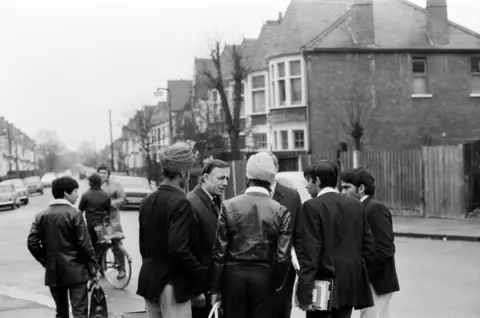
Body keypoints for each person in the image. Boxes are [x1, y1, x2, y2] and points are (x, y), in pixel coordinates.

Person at [211, 152, 292, 318]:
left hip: (233, 277)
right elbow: (283, 256)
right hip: (264, 276)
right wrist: (275, 283)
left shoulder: (228, 206)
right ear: (271, 180)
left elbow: (219, 252)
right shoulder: (280, 210)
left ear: (247, 177)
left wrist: (215, 287)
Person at [296, 161, 376, 318]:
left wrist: (304, 293)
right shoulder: (356, 205)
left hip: (322, 285)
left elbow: (311, 253)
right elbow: (368, 246)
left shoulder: (312, 206)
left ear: (317, 181)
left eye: (308, 180)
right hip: (349, 285)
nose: (306, 185)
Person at [137, 142, 207, 318]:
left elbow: (143, 247)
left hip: (149, 281)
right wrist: (200, 272)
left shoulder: (147, 201)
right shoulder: (180, 203)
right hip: (172, 285)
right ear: (183, 172)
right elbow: (178, 248)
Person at [27, 176, 98, 318]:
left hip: (54, 271)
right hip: (77, 270)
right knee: (80, 312)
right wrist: (93, 265)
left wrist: (46, 260)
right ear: (66, 193)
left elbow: (32, 243)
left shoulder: (40, 216)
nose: (77, 195)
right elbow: (84, 244)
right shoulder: (75, 214)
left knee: (61, 312)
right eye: (75, 192)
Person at [340, 168, 400, 318]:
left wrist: (365, 273)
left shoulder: (375, 209)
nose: (343, 192)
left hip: (377, 283)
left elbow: (385, 248)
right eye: (341, 188)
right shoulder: (357, 208)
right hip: (368, 282)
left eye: (347, 187)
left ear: (361, 188)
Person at [187, 159, 230, 318]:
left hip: (214, 285)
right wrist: (196, 289)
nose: (225, 183)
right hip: (201, 287)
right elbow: (188, 250)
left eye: (227, 179)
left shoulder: (218, 201)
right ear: (204, 178)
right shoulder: (191, 203)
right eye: (220, 178)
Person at [269, 153, 303, 318]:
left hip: (284, 268)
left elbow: (299, 232)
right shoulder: (243, 195)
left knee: (282, 310)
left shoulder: (291, 196)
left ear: (276, 169)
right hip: (255, 268)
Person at [97, 163, 127, 279]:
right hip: (99, 220)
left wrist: (111, 204)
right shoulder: (95, 185)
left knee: (116, 244)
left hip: (113, 220)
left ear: (108, 174)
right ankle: (101, 268)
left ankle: (121, 269)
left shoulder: (116, 185)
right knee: (99, 244)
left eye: (104, 173)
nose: (102, 175)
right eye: (100, 173)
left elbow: (123, 198)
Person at [78, 173, 112, 266]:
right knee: (102, 245)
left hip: (91, 224)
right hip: (102, 225)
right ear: (100, 182)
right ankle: (102, 266)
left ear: (90, 183)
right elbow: (108, 211)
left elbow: (80, 210)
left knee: (91, 246)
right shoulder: (106, 195)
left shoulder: (86, 195)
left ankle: (94, 266)